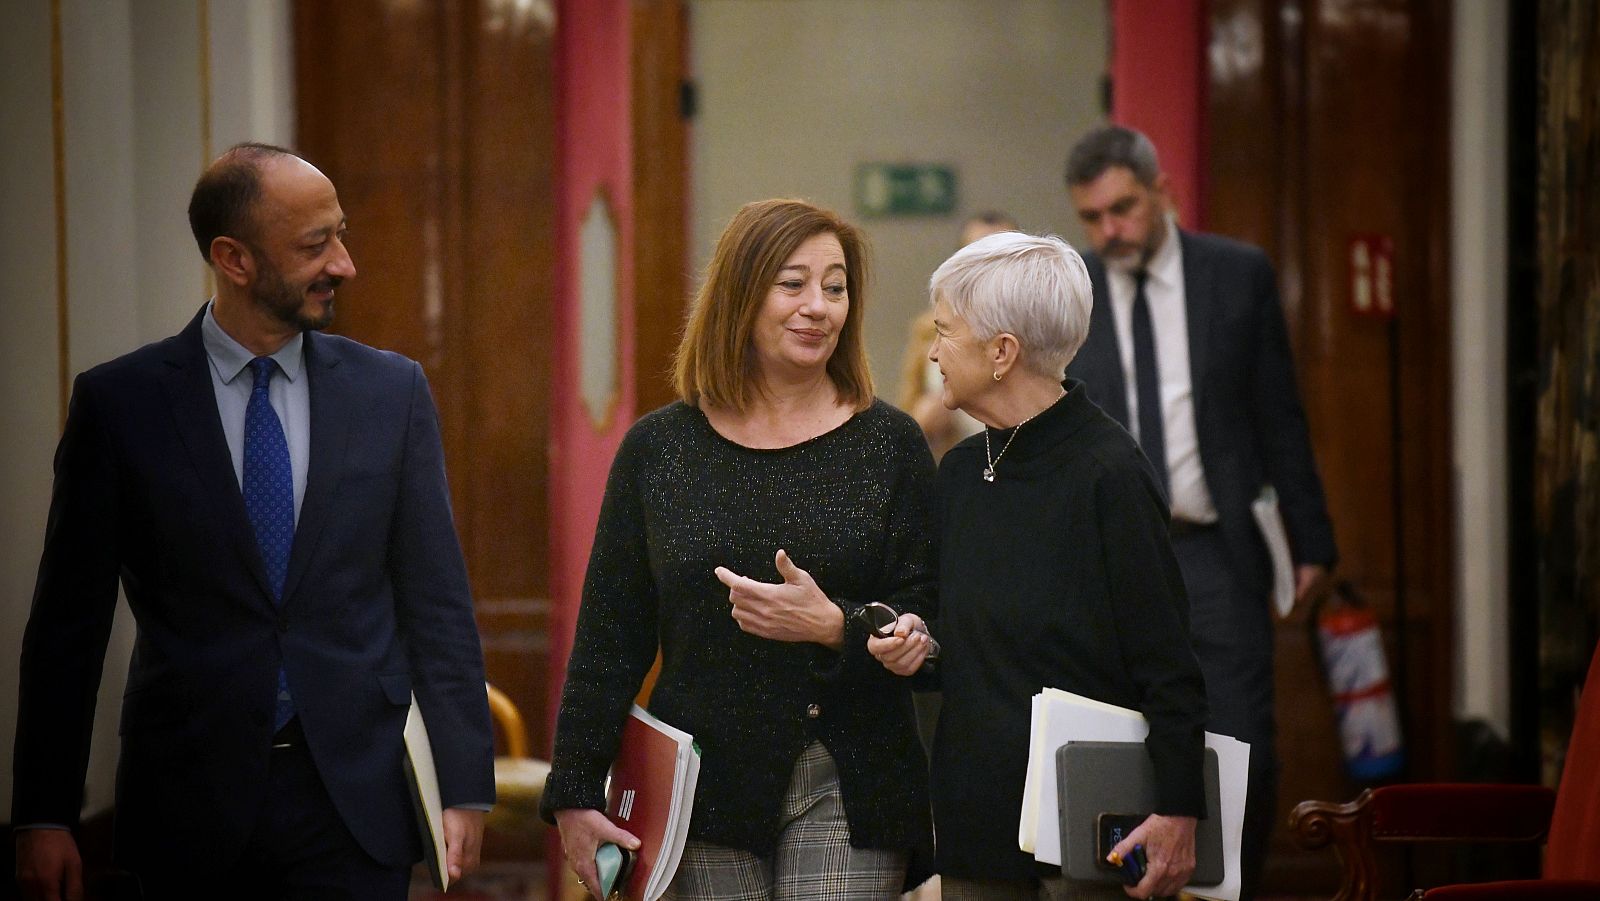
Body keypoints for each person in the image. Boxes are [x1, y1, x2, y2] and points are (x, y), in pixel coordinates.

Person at [11, 143, 495, 900]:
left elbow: (438, 603)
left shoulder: (390, 393)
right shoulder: (120, 405)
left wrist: (465, 785)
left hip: (354, 802)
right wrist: (43, 812)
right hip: (186, 803)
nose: (343, 263)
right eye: (315, 244)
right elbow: (68, 624)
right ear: (234, 259)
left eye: (340, 234)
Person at [541, 198, 937, 901]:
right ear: (740, 294)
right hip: (701, 783)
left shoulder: (890, 443)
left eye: (836, 286)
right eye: (793, 283)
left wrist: (836, 625)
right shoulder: (660, 448)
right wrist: (575, 787)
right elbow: (611, 633)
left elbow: (924, 613)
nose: (819, 306)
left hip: (851, 779)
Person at [871, 231, 1209, 900]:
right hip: (975, 819)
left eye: (944, 330)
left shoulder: (1108, 472)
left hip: (1086, 826)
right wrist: (917, 642)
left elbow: (1168, 661)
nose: (932, 350)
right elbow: (955, 632)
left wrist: (1178, 807)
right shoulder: (962, 471)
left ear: (1002, 352)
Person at [1062, 125, 1339, 900]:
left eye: (1122, 208)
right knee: (1122, 746)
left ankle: (1235, 886)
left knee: (1242, 740)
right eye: (1091, 217)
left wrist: (1312, 538)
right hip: (1108, 562)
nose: (1108, 230)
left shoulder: (1235, 274)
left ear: (1163, 194)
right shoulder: (1074, 288)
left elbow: (1278, 414)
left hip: (1215, 549)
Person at [897, 211, 1018, 461]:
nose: (985, 270)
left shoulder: (1037, 330)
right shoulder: (929, 330)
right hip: (955, 462)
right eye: (976, 256)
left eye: (997, 258)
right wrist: (923, 422)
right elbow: (908, 407)